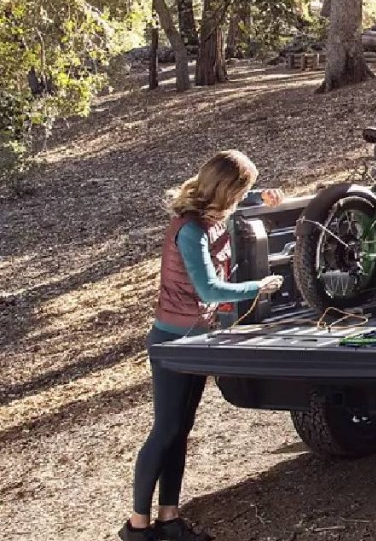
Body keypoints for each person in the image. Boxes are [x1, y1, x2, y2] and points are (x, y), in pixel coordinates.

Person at [120, 150, 285, 541]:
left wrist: (262, 196)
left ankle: (170, 518)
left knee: (181, 429)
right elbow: (208, 288)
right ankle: (136, 526)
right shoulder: (191, 230)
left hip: (196, 339)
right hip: (172, 341)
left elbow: (239, 205)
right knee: (164, 430)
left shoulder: (212, 214)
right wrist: (257, 287)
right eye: (241, 191)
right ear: (225, 190)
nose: (241, 198)